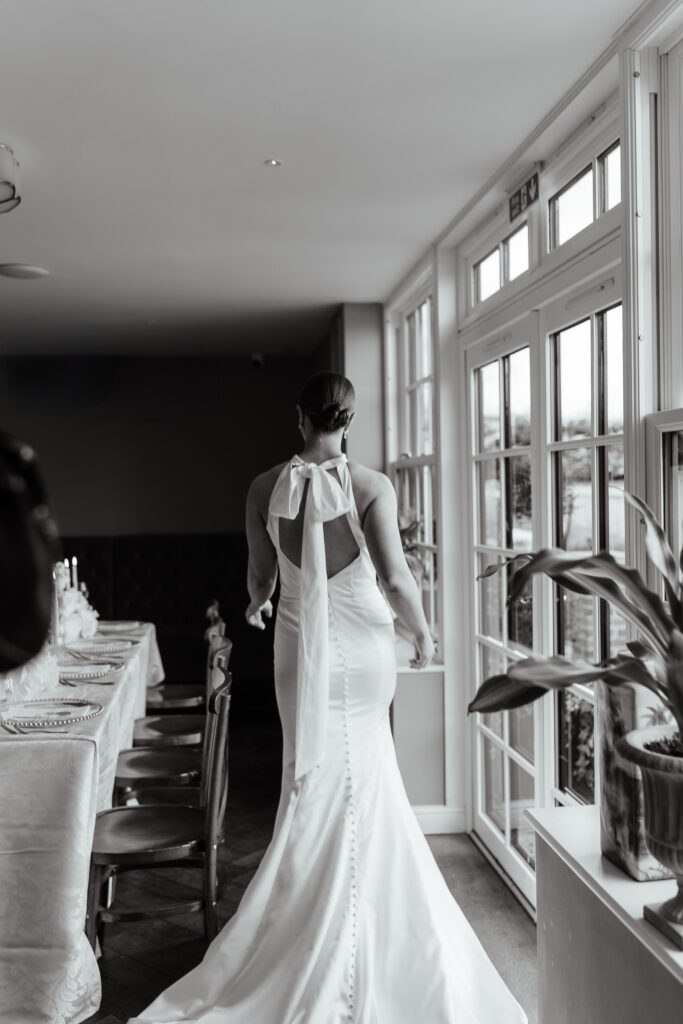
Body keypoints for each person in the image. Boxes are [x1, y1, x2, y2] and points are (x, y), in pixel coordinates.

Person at [130, 371, 526, 1023]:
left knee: (308, 777)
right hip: (364, 647)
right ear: (349, 418)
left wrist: (258, 607)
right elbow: (396, 580)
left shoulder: (263, 487)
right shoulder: (370, 486)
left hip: (297, 648)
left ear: (299, 417)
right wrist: (422, 636)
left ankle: (308, 923)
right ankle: (354, 925)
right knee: (365, 775)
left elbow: (259, 577)